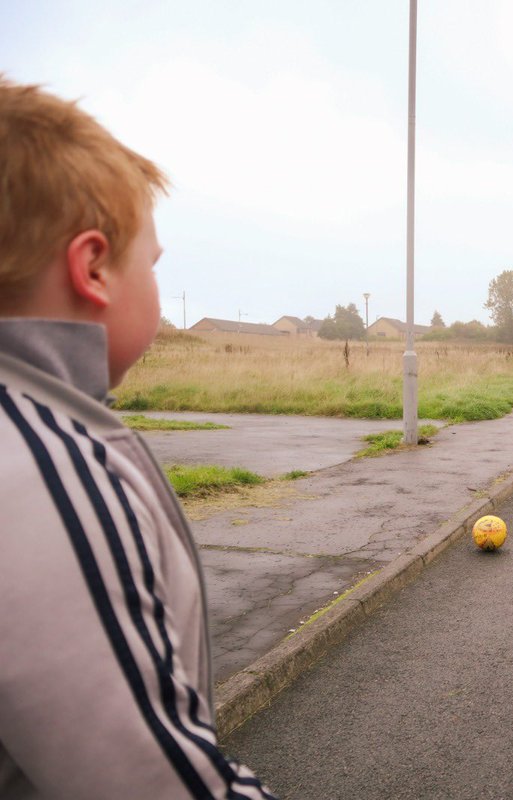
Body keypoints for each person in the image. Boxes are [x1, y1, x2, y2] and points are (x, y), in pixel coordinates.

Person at [0, 77, 275, 798]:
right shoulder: (47, 466)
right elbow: (152, 781)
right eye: (151, 266)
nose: (158, 289)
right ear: (92, 267)